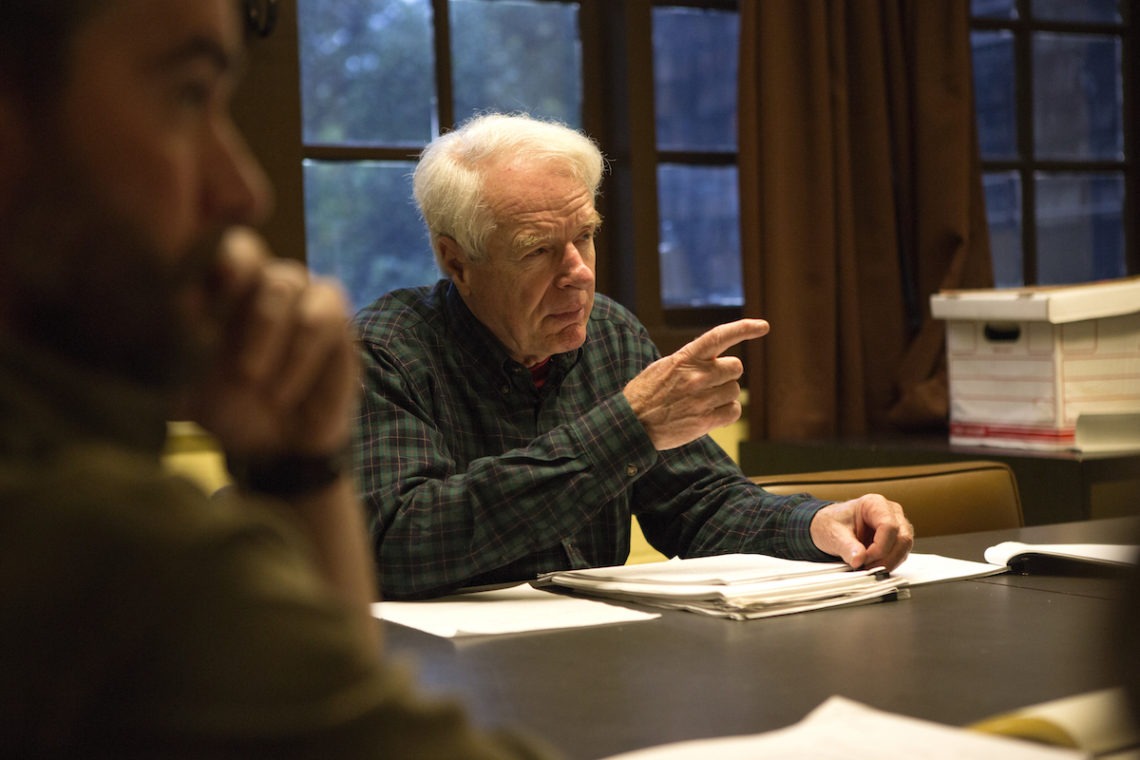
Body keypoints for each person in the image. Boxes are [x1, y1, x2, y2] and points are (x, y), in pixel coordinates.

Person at [0, 1, 556, 756]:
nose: (243, 190)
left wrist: (297, 467)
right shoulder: (103, 544)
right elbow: (411, 548)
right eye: (188, 94)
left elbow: (326, 710)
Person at [354, 112, 914, 600]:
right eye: (538, 250)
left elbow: (701, 505)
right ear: (457, 262)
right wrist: (628, 426)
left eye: (586, 236)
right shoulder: (386, 351)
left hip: (600, 657)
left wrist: (816, 524)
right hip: (452, 679)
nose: (579, 273)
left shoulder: (611, 334)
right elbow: (403, 545)